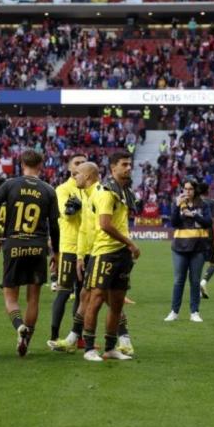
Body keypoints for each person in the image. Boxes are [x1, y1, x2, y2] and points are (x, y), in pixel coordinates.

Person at [0, 150, 60, 357]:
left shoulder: (10, 184)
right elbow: (54, 225)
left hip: (14, 244)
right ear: (41, 165)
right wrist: (57, 253)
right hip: (38, 246)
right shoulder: (48, 190)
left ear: (21, 163)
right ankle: (26, 338)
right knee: (33, 298)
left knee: (10, 296)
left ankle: (19, 326)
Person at [53, 162, 135, 356]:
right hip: (93, 252)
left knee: (103, 298)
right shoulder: (87, 195)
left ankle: (120, 340)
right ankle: (78, 338)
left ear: (88, 175)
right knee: (87, 296)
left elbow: (102, 226)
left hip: (103, 252)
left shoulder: (100, 193)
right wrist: (81, 256)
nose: (75, 176)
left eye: (78, 173)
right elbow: (84, 228)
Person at [82, 151, 140, 362]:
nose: (128, 168)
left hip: (121, 254)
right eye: (124, 164)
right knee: (96, 300)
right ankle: (89, 348)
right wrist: (130, 243)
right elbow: (105, 225)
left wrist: (126, 246)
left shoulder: (123, 191)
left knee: (116, 304)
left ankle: (109, 348)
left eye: (130, 164)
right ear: (113, 167)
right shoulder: (107, 192)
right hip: (105, 253)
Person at [48, 153, 87, 349]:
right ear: (70, 167)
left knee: (82, 294)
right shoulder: (63, 189)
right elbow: (67, 214)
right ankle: (54, 336)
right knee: (64, 292)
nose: (81, 166)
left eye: (83, 163)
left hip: (87, 247)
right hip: (70, 247)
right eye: (77, 163)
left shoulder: (90, 188)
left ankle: (78, 337)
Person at [164, 179, 211, 322]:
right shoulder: (178, 203)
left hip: (198, 247)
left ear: (195, 190)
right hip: (179, 247)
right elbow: (174, 223)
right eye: (185, 189)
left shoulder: (203, 205)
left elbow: (208, 222)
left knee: (195, 281)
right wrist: (176, 207)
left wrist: (194, 215)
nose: (187, 191)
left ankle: (194, 312)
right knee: (179, 280)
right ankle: (174, 311)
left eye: (190, 189)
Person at [198, 182, 214, 299]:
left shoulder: (195, 202)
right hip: (208, 235)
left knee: (197, 261)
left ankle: (197, 289)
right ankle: (203, 282)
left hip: (196, 235)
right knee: (213, 262)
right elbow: (213, 220)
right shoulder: (211, 203)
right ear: (207, 191)